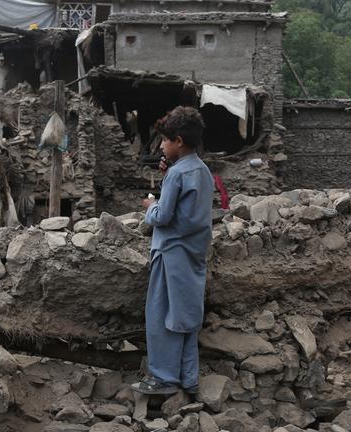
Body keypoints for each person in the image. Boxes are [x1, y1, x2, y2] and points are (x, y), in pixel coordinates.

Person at [132, 106, 214, 395]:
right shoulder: (202, 171)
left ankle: (163, 379)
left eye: (165, 141)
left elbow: (163, 216)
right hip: (194, 255)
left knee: (161, 316)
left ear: (178, 140)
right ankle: (188, 380)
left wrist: (150, 207)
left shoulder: (177, 174)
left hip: (169, 253)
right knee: (187, 318)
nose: (162, 146)